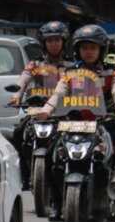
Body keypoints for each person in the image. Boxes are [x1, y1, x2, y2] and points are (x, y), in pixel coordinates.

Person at [35, 24, 115, 222]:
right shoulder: (69, 73)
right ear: (77, 50)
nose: (88, 52)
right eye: (84, 48)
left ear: (101, 50)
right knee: (51, 155)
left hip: (102, 123)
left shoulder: (111, 72)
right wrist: (46, 110)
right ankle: (56, 202)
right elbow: (58, 94)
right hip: (73, 123)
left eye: (93, 48)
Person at [8, 20, 70, 189]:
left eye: (57, 40)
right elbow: (23, 80)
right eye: (50, 40)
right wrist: (16, 95)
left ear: (64, 42)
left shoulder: (72, 65)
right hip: (38, 110)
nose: (54, 44)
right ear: (44, 43)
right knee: (19, 133)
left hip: (65, 111)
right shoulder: (35, 64)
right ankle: (24, 174)